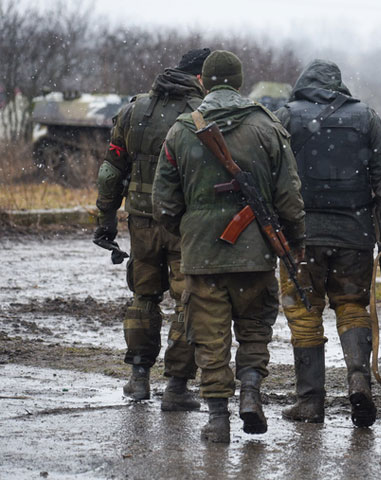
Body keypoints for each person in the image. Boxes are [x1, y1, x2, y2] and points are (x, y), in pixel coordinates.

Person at [153, 50, 305, 443]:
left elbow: (164, 205)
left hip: (202, 258)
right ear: (239, 82)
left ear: (202, 81)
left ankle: (218, 419)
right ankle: (250, 392)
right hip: (255, 256)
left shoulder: (181, 130)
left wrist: (191, 228)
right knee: (254, 330)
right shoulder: (267, 126)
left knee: (210, 338)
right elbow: (289, 196)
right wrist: (294, 240)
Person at [275, 59, 381, 427]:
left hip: (301, 238)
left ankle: (310, 402)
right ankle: (358, 382)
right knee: (352, 307)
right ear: (339, 85)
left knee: (304, 313)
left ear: (303, 83)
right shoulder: (366, 117)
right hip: (355, 236)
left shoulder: (285, 117)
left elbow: (272, 176)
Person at [93, 48, 211, 410]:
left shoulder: (133, 111)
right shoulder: (202, 115)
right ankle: (176, 386)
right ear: (199, 78)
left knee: (143, 296)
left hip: (142, 221)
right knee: (186, 301)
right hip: (184, 224)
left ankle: (139, 378)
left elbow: (112, 170)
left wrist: (106, 216)